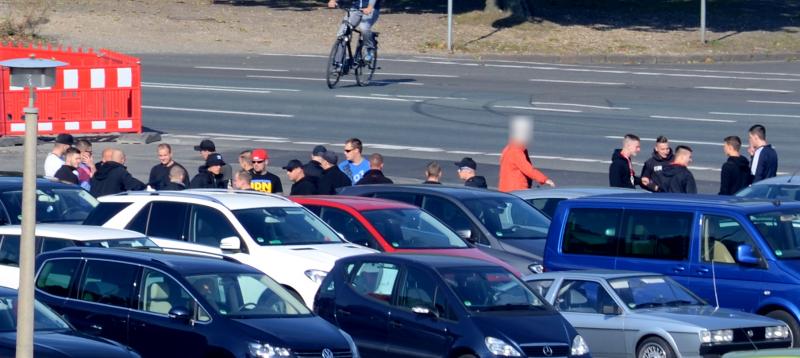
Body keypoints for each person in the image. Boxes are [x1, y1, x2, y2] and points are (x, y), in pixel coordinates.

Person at [498, 117, 554, 192]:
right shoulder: (516, 150)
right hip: (516, 189)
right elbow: (528, 169)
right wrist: (545, 180)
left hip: (506, 188)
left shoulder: (509, 148)